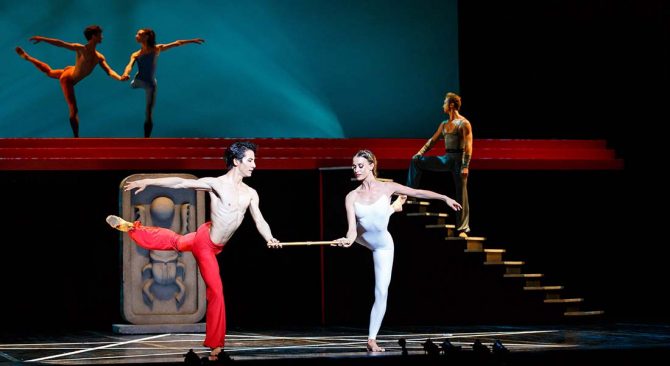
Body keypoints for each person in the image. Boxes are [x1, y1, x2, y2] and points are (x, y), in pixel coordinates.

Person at [106, 141, 279, 360]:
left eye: (254, 160)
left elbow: (260, 220)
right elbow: (180, 183)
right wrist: (148, 181)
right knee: (216, 291)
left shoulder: (251, 193)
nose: (254, 165)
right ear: (236, 162)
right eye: (250, 160)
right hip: (204, 243)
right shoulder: (216, 184)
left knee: (176, 241)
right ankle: (216, 346)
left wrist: (269, 237)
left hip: (211, 240)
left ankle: (131, 227)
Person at [334, 150, 462, 352]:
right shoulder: (351, 196)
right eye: (353, 166)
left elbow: (418, 193)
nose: (356, 169)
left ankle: (371, 339)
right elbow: (351, 230)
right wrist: (347, 240)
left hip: (383, 245)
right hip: (362, 236)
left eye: (360, 165)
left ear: (371, 166)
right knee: (362, 228)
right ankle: (394, 208)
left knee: (381, 292)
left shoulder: (388, 187)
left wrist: (444, 197)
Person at [15, 25, 128, 137]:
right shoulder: (81, 49)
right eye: (100, 35)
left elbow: (109, 71)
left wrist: (120, 77)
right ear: (94, 36)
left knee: (49, 72)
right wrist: (42, 39)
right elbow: (61, 43)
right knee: (73, 108)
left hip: (70, 70)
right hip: (68, 78)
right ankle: (76, 138)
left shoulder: (99, 57)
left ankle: (27, 58)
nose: (102, 37)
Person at [407, 92, 473, 237]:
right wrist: (420, 152)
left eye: (444, 103)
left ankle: (462, 228)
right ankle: (410, 193)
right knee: (415, 161)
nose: (442, 105)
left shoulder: (463, 123)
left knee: (461, 193)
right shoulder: (444, 124)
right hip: (447, 158)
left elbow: (468, 146)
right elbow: (432, 141)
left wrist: (465, 165)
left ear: (451, 105)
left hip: (458, 160)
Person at [121, 29, 204, 137]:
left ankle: (146, 139)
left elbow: (176, 43)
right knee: (134, 84)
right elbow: (129, 65)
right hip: (138, 80)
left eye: (139, 34)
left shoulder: (156, 49)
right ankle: (134, 82)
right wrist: (125, 73)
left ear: (146, 37)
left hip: (150, 83)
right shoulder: (136, 54)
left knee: (149, 112)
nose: (136, 36)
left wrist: (192, 41)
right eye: (137, 34)